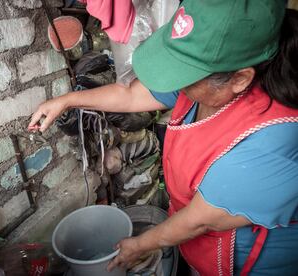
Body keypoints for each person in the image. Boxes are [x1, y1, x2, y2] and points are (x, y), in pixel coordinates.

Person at [29, 0, 298, 275]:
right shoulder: (208, 85)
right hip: (200, 248)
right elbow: (131, 94)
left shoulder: (273, 139)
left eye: (185, 75)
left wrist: (140, 245)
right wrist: (66, 101)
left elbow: (199, 221)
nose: (174, 83)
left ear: (240, 79)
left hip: (249, 265)